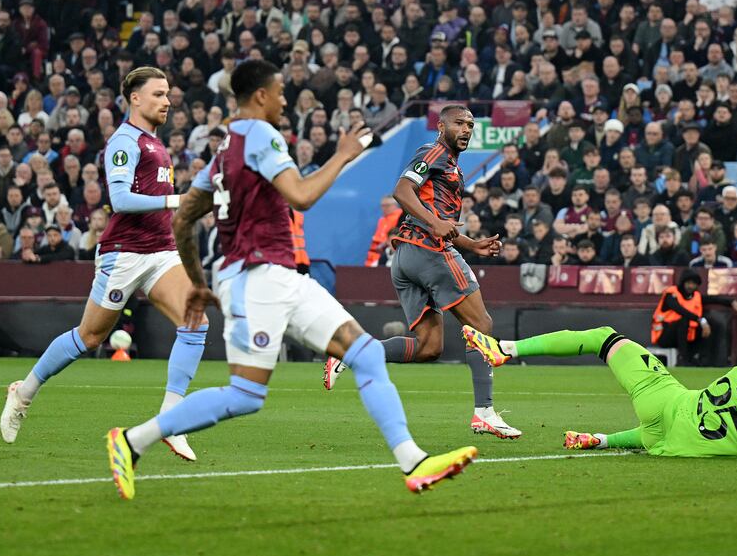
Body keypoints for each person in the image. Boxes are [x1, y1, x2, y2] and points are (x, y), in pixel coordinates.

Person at [107, 60, 477, 500]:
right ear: (260, 96)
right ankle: (131, 441)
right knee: (246, 395)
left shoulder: (226, 149)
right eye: (280, 92)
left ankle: (412, 462)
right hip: (254, 279)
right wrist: (343, 154)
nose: (285, 100)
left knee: (365, 354)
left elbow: (186, 217)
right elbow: (300, 197)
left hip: (281, 275)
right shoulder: (262, 134)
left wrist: (198, 280)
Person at [0, 68, 208, 462]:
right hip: (124, 252)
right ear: (135, 98)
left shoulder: (155, 143)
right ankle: (23, 392)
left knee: (195, 321)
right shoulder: (124, 142)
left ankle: (170, 420)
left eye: (168, 94)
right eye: (159, 94)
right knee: (90, 337)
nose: (167, 101)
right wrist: (177, 201)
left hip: (160, 250)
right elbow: (121, 200)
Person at [322, 105, 520, 439]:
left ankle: (351, 353)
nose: (466, 129)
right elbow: (402, 191)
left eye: (471, 125)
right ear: (441, 126)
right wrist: (434, 224)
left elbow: (439, 218)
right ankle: (484, 413)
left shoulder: (449, 163)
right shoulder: (434, 151)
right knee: (481, 325)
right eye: (459, 123)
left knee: (429, 346)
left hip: (407, 256)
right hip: (428, 251)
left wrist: (472, 245)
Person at [461, 325, 737, 459]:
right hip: (665, 435)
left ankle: (505, 349)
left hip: (665, 395)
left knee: (604, 339)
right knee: (650, 436)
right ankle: (599, 439)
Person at [650, 269, 737, 366]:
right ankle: (683, 359)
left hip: (687, 338)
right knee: (684, 321)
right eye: (688, 283)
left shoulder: (696, 296)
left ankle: (705, 360)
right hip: (665, 336)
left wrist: (732, 302)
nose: (690, 286)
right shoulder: (671, 294)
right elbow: (679, 309)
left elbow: (714, 299)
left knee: (709, 326)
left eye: (693, 284)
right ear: (683, 283)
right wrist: (700, 320)